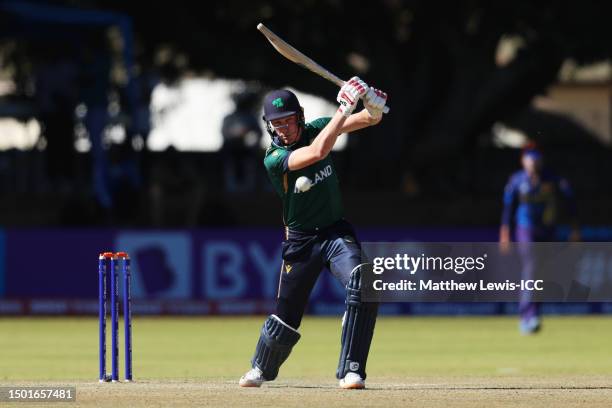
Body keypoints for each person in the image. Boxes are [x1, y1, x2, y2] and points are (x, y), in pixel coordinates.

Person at [238, 77, 388, 389]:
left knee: (364, 282)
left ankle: (352, 370)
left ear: (300, 117)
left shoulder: (317, 127)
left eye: (288, 121)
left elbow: (369, 120)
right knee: (286, 318)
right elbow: (318, 152)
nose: (283, 128)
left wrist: (373, 107)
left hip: (335, 232)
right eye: (276, 123)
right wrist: (343, 108)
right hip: (302, 241)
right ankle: (261, 368)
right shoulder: (273, 158)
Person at [499, 143, 579, 334]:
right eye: (529, 160)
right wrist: (504, 232)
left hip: (547, 231)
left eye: (536, 159)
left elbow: (570, 200)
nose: (533, 164)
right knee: (531, 268)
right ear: (523, 161)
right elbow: (508, 208)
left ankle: (533, 314)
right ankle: (527, 316)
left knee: (540, 273)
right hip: (525, 229)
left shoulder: (552, 179)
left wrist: (575, 228)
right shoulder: (517, 180)